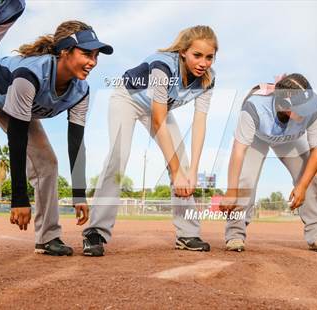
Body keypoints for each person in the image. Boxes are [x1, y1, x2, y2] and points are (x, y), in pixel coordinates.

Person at [82, 25, 218, 256]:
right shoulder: (162, 66)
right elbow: (158, 121)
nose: (203, 62)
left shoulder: (208, 79)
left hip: (158, 108)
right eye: (197, 55)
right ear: (183, 52)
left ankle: (187, 234)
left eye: (209, 57)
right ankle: (95, 231)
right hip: (129, 98)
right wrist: (175, 172)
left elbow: (200, 123)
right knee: (118, 157)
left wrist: (192, 171)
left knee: (183, 163)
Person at [0, 20, 113, 255]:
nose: (92, 62)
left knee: (47, 163)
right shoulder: (31, 74)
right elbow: (17, 138)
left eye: (96, 56)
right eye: (86, 53)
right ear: (64, 51)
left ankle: (48, 237)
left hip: (14, 104)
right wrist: (19, 200)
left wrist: (78, 193)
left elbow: (76, 141)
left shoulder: (80, 91)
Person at [220, 74, 317, 253]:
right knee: (245, 182)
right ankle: (235, 235)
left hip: (289, 140)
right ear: (283, 105)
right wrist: (231, 190)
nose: (308, 111)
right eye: (302, 108)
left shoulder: (314, 109)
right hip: (257, 138)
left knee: (308, 181)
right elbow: (238, 151)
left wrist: (302, 186)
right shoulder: (254, 107)